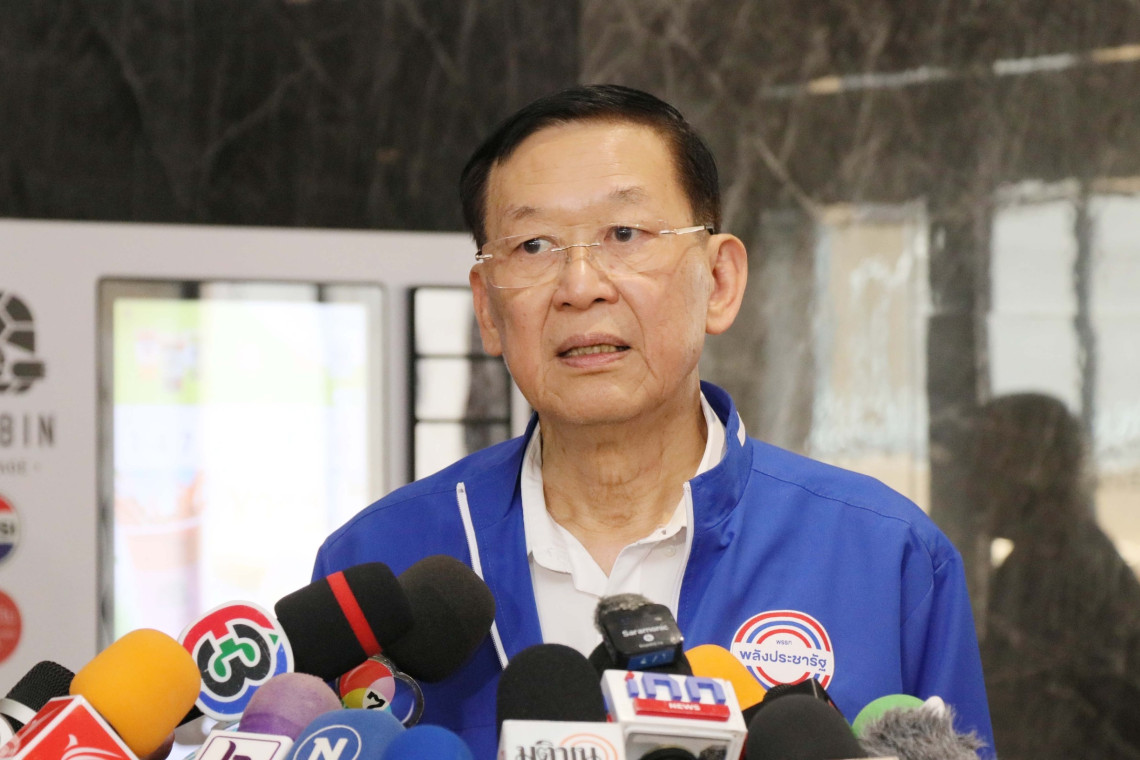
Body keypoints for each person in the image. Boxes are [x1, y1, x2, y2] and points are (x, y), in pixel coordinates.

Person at [313, 84, 995, 759]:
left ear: (719, 281)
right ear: (488, 310)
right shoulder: (379, 565)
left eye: (624, 234)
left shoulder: (887, 558)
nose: (581, 286)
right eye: (534, 246)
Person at [978, 393, 1140, 759]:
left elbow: (1030, 718)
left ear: (1037, 469)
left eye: (992, 457)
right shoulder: (1033, 561)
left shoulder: (1063, 568)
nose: (972, 483)